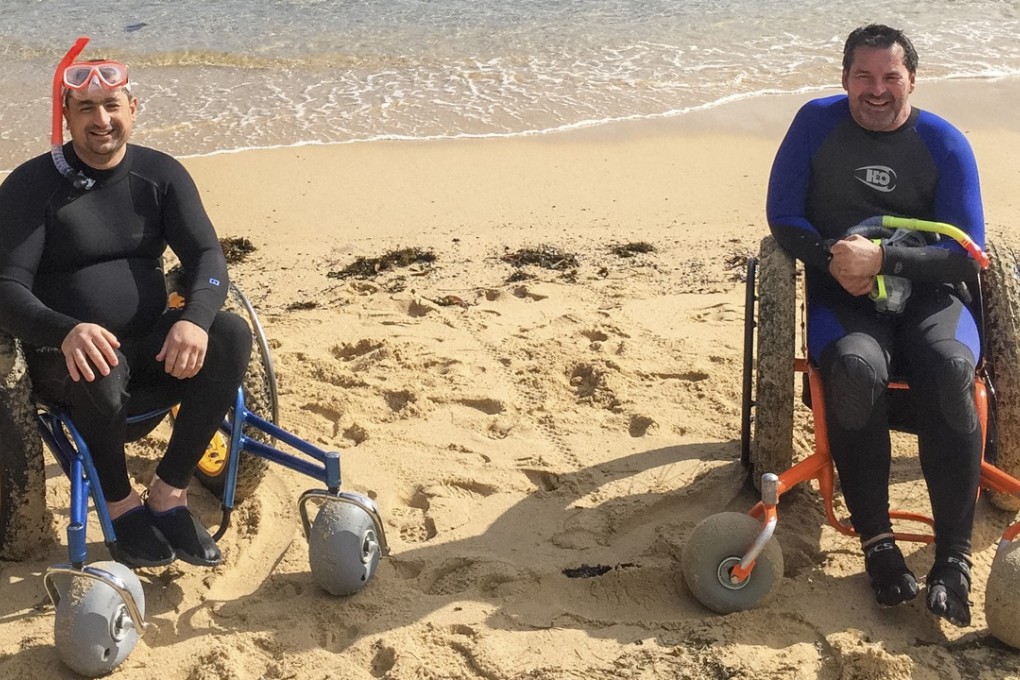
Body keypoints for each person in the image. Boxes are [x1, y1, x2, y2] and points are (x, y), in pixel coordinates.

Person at [766, 24, 984, 627]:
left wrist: (884, 258)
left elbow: (968, 253)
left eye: (891, 76)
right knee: (857, 369)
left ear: (913, 79)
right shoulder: (815, 124)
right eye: (863, 76)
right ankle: (879, 546)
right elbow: (782, 217)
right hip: (847, 293)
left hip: (933, 295)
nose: (877, 89)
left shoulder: (944, 142)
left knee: (949, 368)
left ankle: (954, 560)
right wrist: (835, 260)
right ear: (844, 79)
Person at [0, 48, 252, 569]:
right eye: (86, 108)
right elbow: (6, 286)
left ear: (132, 107)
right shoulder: (30, 186)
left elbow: (207, 257)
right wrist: (67, 330)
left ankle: (168, 493)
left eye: (112, 104)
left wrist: (194, 319)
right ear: (65, 115)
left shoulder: (161, 175)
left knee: (228, 333)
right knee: (98, 358)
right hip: (67, 358)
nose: (101, 120)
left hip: (149, 350)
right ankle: (119, 502)